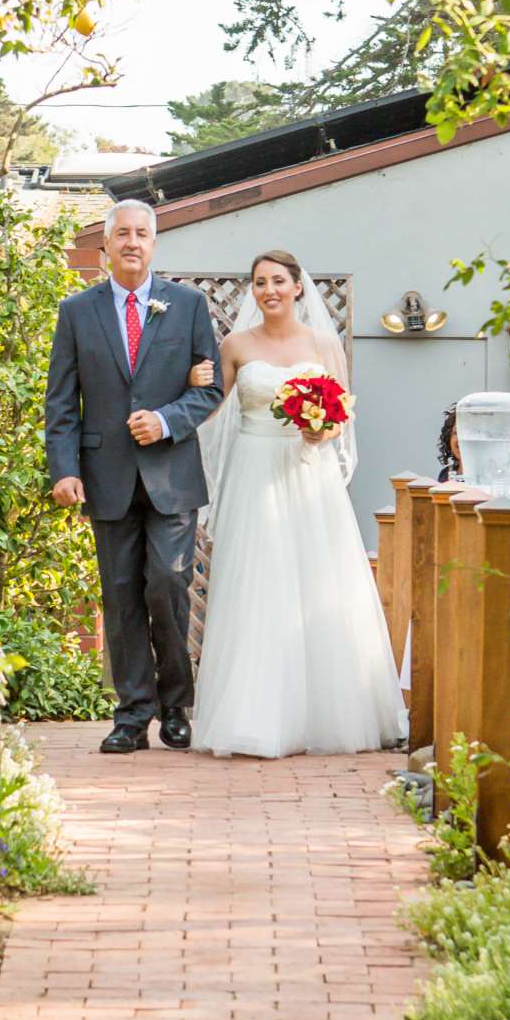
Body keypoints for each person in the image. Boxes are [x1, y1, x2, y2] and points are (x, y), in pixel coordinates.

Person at [191, 249, 408, 760]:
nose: (269, 290)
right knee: (256, 584)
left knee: (318, 584)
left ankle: (325, 714)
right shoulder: (236, 344)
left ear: (295, 287)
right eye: (260, 282)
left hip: (309, 475)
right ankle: (254, 715)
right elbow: (209, 407)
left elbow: (341, 415)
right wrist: (190, 385)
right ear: (253, 291)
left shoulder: (322, 343)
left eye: (278, 281)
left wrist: (321, 429)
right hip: (252, 469)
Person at [44, 201, 223, 753]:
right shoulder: (77, 311)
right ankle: (132, 714)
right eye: (122, 233)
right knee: (120, 595)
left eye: (142, 234)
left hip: (171, 476)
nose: (132, 242)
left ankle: (175, 707)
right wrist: (64, 469)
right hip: (106, 475)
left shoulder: (189, 304)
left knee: (167, 585)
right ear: (106, 244)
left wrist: (166, 420)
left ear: (154, 243)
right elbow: (61, 402)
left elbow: (210, 388)